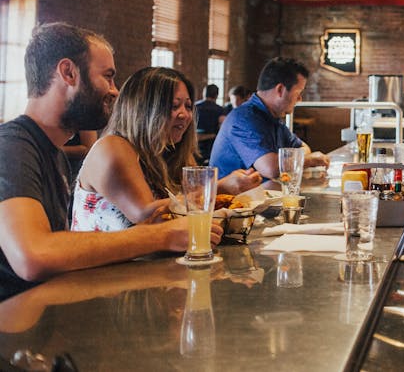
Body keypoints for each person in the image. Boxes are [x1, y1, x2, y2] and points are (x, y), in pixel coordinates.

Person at [0, 22, 221, 302]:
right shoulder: (12, 146)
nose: (115, 91)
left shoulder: (51, 151)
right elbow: (33, 255)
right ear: (68, 73)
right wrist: (162, 235)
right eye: (108, 77)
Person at [71, 67, 261, 232]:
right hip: (103, 273)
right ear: (143, 109)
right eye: (174, 106)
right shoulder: (112, 147)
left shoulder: (168, 153)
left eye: (188, 106)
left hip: (152, 269)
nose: (185, 115)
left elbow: (187, 217)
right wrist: (218, 188)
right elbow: (150, 218)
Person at [210, 57, 329, 181]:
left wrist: (290, 159)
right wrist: (310, 160)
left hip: (259, 195)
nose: (300, 99)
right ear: (280, 90)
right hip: (232, 199)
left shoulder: (272, 117)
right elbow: (270, 168)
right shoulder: (244, 118)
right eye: (298, 93)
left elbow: (303, 148)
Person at [194, 84, 225, 160]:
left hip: (194, 147)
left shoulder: (194, 107)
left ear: (204, 93)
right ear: (216, 95)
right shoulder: (221, 110)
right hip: (212, 149)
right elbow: (223, 132)